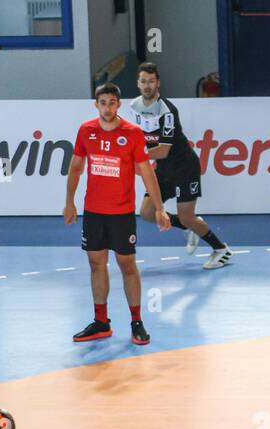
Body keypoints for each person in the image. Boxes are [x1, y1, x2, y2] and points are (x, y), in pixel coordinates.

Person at [64, 82, 171, 347]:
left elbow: (147, 173)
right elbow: (76, 167)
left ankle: (136, 322)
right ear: (96, 104)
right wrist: (69, 202)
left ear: (118, 104)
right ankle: (101, 322)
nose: (108, 107)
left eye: (112, 102)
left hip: (121, 213)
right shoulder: (86, 131)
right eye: (103, 102)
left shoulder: (132, 134)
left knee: (127, 266)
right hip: (93, 212)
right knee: (96, 264)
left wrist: (159, 208)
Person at [125, 62, 233, 270]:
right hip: (163, 169)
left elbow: (163, 150)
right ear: (138, 84)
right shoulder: (134, 107)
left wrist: (133, 157)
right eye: (143, 81)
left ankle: (221, 249)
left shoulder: (167, 111)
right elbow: (139, 138)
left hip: (185, 167)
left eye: (151, 81)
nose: (147, 85)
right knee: (147, 213)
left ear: (158, 83)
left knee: (187, 215)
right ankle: (188, 227)